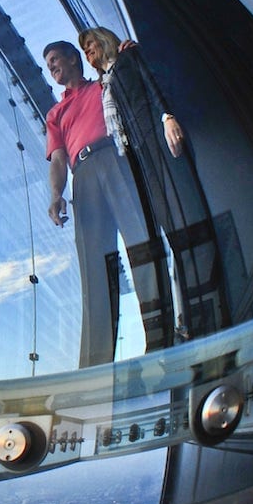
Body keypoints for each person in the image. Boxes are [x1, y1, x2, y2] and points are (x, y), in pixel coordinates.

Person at [78, 27, 229, 340]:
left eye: (91, 44)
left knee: (182, 212)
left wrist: (167, 116)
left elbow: (152, 83)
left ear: (105, 40)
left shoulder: (129, 57)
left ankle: (209, 309)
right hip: (136, 155)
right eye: (85, 49)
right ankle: (188, 316)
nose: (89, 52)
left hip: (153, 138)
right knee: (166, 223)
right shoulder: (103, 82)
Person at [43, 40, 173, 367]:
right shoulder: (55, 114)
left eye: (56, 59)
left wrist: (124, 53)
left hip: (116, 159)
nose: (52, 67)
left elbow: (125, 76)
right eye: (48, 64)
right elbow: (58, 158)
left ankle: (162, 342)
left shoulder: (102, 84)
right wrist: (57, 194)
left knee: (142, 244)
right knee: (94, 266)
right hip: (83, 174)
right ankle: (95, 365)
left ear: (74, 59)